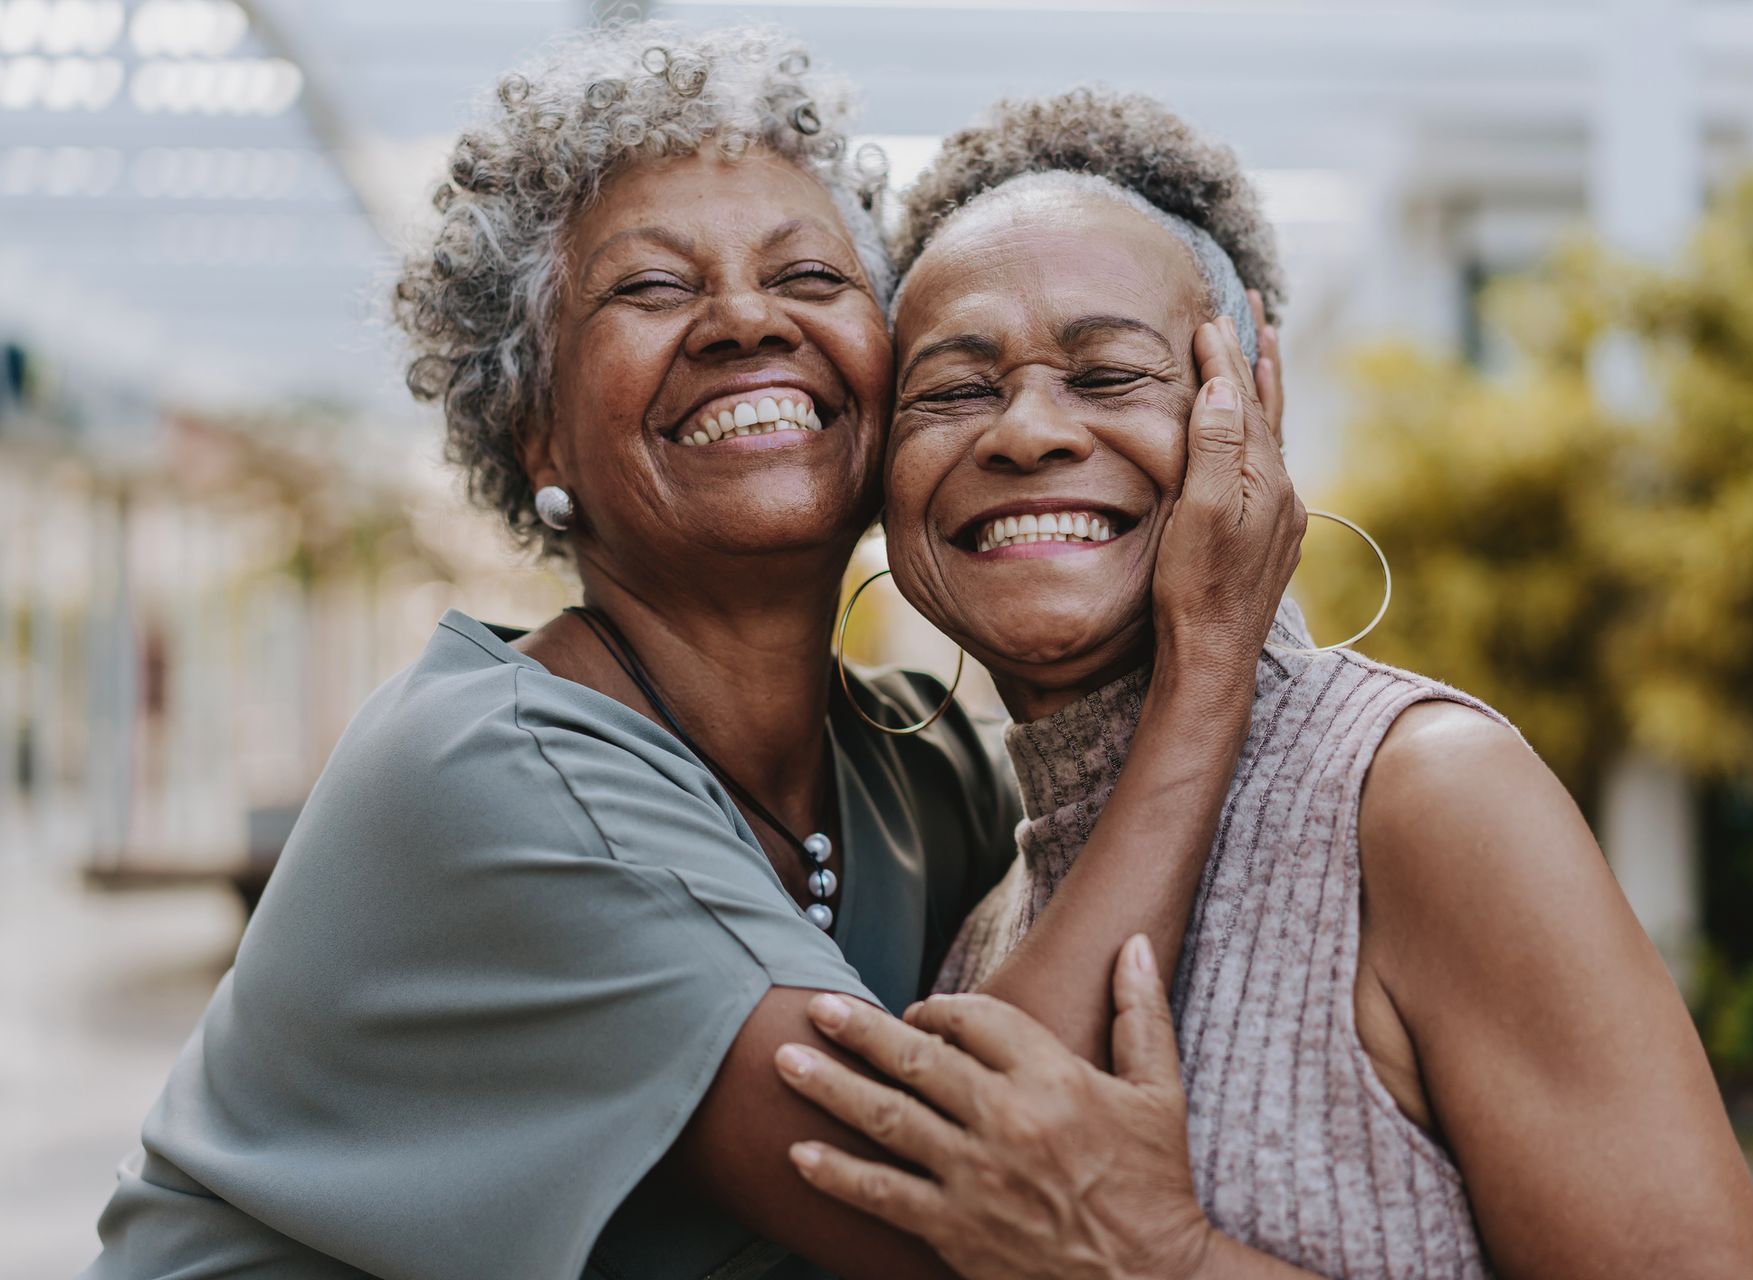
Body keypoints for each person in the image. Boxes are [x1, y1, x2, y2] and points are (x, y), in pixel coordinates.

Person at [81, 25, 1305, 1280]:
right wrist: (1211, 654)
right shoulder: (493, 767)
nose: (741, 318)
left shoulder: (916, 763)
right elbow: (949, 1207)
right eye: (650, 288)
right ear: (535, 433)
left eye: (814, 277)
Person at [773, 90, 1753, 1280]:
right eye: (954, 388)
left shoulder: (1426, 797)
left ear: (1251, 396)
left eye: (1107, 373)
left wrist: (1172, 1259)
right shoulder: (994, 920)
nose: (1028, 430)